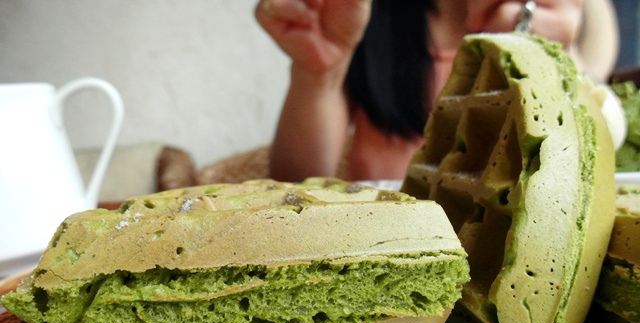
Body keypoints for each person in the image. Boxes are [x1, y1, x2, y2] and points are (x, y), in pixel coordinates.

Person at [255, 0, 620, 182]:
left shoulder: (556, 12)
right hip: (385, 249)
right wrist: (317, 72)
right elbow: (296, 182)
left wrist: (555, 55)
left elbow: (603, 143)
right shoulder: (361, 15)